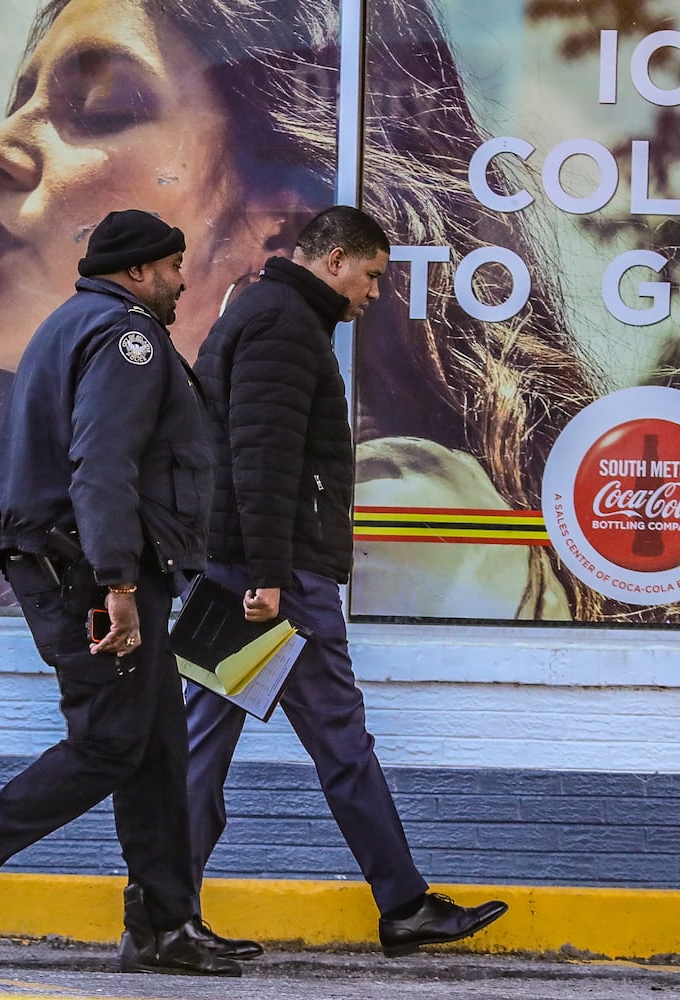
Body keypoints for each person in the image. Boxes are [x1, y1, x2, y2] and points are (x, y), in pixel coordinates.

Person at [0, 0, 680, 613]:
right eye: (18, 99)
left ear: (278, 227)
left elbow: (147, 753)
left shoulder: (402, 524)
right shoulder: (38, 506)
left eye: (99, 109)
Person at [0, 209, 238, 977]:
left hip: (85, 560)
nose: (181, 282)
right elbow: (101, 462)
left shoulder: (75, 322)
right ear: (142, 270)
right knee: (111, 741)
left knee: (154, 745)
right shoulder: (127, 337)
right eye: (174, 267)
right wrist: (115, 582)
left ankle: (166, 926)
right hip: (91, 568)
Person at [181, 204, 509, 957]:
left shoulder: (269, 313)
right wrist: (266, 575)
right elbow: (260, 458)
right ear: (333, 260)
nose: (371, 294)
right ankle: (402, 905)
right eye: (369, 276)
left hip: (253, 567)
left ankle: (162, 910)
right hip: (277, 578)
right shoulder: (284, 327)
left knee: (205, 745)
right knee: (337, 739)